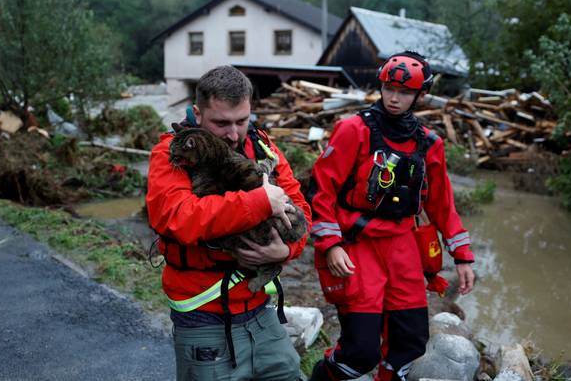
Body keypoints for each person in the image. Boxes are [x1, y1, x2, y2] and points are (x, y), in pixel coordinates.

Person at [307, 51, 475, 381]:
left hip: (403, 247)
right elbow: (320, 191)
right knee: (360, 352)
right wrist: (330, 244)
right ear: (381, 86)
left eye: (405, 92)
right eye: (389, 89)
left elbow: (442, 206)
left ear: (419, 95)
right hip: (358, 244)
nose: (394, 98)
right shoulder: (353, 129)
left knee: (410, 344)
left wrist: (463, 256)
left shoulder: (429, 143)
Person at [146, 65, 312, 380]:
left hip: (260, 309)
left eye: (242, 121)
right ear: (197, 113)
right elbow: (179, 217)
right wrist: (261, 202)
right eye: (221, 123)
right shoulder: (175, 154)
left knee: (289, 372)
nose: (234, 134)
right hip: (202, 315)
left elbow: (302, 208)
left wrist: (285, 253)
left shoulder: (263, 147)